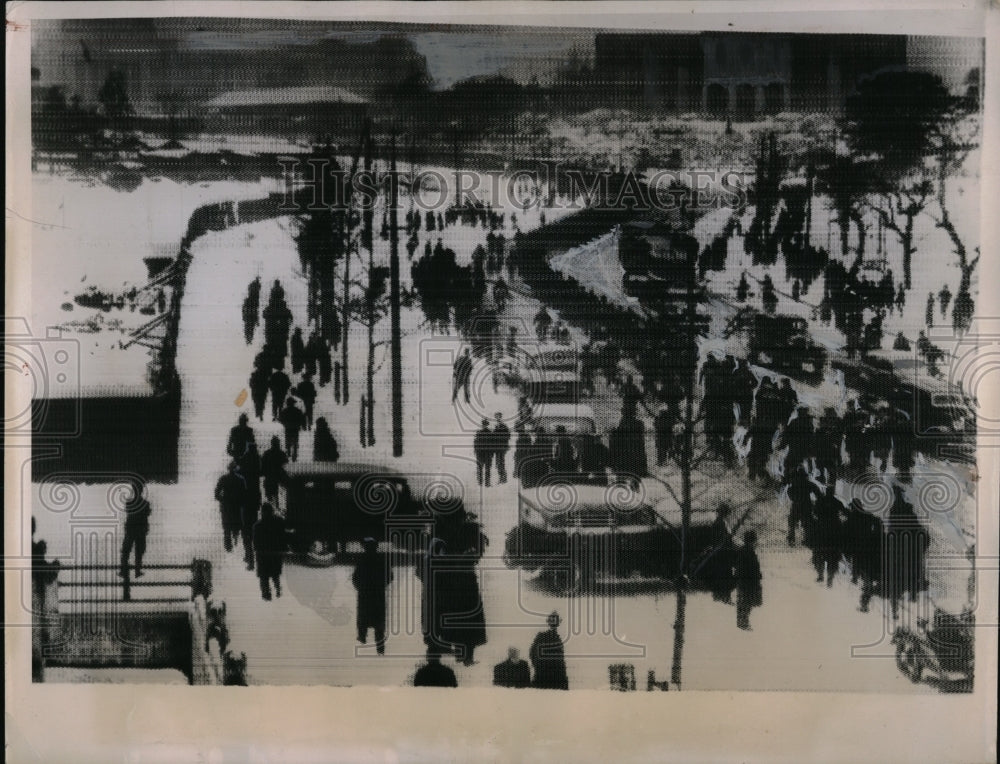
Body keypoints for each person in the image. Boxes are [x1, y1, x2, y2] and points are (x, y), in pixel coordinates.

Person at [352, 538, 392, 654]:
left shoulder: (361, 559)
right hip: (378, 593)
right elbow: (390, 576)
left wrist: (360, 587)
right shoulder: (381, 559)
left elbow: (356, 577)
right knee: (378, 618)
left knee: (363, 615)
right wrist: (382, 585)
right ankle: (380, 646)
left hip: (364, 592)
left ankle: (362, 636)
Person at [118, 480, 151, 579]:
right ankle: (137, 571)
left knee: (126, 551)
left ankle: (124, 571)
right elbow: (147, 513)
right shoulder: (145, 503)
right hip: (140, 530)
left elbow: (129, 511)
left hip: (131, 529)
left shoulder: (130, 502)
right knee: (138, 551)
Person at [253, 502, 286, 601]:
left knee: (264, 577)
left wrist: (257, 552)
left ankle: (266, 595)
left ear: (262, 512)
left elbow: (255, 543)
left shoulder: (257, 525)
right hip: (275, 553)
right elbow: (283, 537)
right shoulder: (279, 521)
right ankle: (278, 590)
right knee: (275, 574)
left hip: (263, 555)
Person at [239, 440, 262, 571]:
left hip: (246, 501)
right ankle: (252, 558)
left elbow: (240, 469)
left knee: (246, 532)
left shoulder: (245, 458)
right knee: (253, 532)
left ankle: (249, 558)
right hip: (254, 499)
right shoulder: (257, 459)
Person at [530, 611, 569, 689]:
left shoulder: (558, 637)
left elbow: (560, 660)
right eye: (552, 620)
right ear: (548, 621)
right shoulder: (541, 636)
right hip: (544, 676)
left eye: (556, 620)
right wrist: (540, 668)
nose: (554, 622)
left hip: (557, 677)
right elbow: (533, 653)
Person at [214, 462, 245, 553]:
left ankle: (228, 546)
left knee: (226, 526)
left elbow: (216, 492)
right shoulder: (240, 480)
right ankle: (235, 539)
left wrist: (222, 500)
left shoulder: (223, 478)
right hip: (236, 505)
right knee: (236, 524)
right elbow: (243, 494)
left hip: (226, 505)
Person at [734, 530, 762, 630]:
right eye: (755, 541)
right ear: (751, 541)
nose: (756, 543)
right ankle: (743, 623)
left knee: (745, 603)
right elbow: (746, 568)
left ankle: (742, 622)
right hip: (747, 582)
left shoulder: (746, 551)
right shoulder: (747, 552)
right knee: (746, 603)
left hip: (745, 582)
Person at [261, 436, 288, 505]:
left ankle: (271, 507)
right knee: (276, 495)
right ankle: (276, 506)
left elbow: (262, 466)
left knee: (269, 496)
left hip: (269, 477)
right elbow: (286, 466)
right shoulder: (282, 454)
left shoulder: (267, 453)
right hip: (279, 477)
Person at [278, 396, 305, 462]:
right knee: (295, 442)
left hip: (288, 428)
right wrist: (302, 425)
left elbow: (280, 419)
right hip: (295, 428)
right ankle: (294, 455)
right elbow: (302, 419)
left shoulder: (285, 411)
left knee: (288, 441)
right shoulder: (297, 411)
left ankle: (288, 452)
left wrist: (285, 424)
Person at [492, 413, 511, 485]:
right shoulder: (496, 426)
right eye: (496, 417)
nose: (497, 419)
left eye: (498, 417)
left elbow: (508, 435)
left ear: (501, 417)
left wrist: (503, 442)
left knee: (501, 462)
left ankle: (503, 478)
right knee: (498, 463)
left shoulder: (503, 426)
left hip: (502, 447)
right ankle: (501, 478)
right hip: (497, 448)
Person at [474, 418, 493, 487]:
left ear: (487, 425)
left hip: (487, 454)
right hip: (481, 454)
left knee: (487, 469)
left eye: (485, 424)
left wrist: (491, 453)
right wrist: (476, 452)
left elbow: (492, 444)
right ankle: (480, 482)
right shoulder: (479, 433)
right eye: (483, 424)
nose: (484, 425)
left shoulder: (490, 433)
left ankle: (486, 483)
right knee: (480, 469)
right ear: (482, 425)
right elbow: (475, 444)